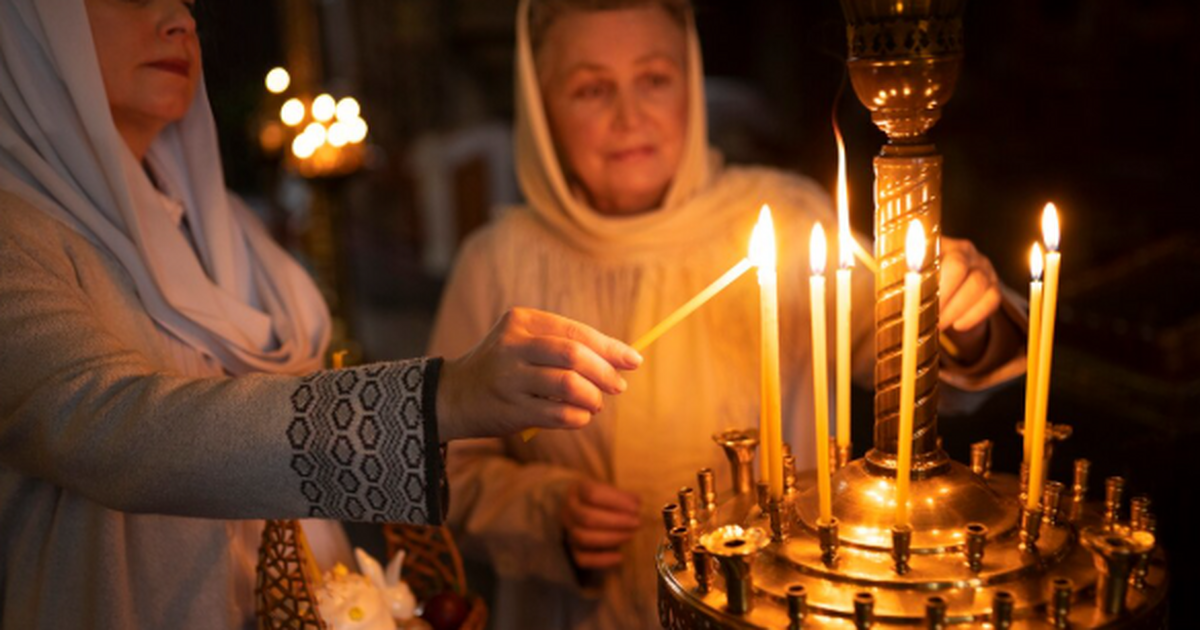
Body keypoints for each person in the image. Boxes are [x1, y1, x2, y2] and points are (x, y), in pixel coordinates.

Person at [0, 0, 643, 628]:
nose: (181, 21)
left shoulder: (227, 224)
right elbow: (113, 427)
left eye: (187, 1)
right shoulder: (16, 238)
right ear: (32, 21)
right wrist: (440, 397)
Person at [428, 0, 1027, 628]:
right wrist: (541, 513)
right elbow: (448, 466)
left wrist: (957, 314)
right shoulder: (496, 262)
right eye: (590, 89)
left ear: (692, 81)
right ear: (541, 106)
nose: (629, 116)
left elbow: (907, 360)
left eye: (655, 79)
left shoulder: (785, 215)